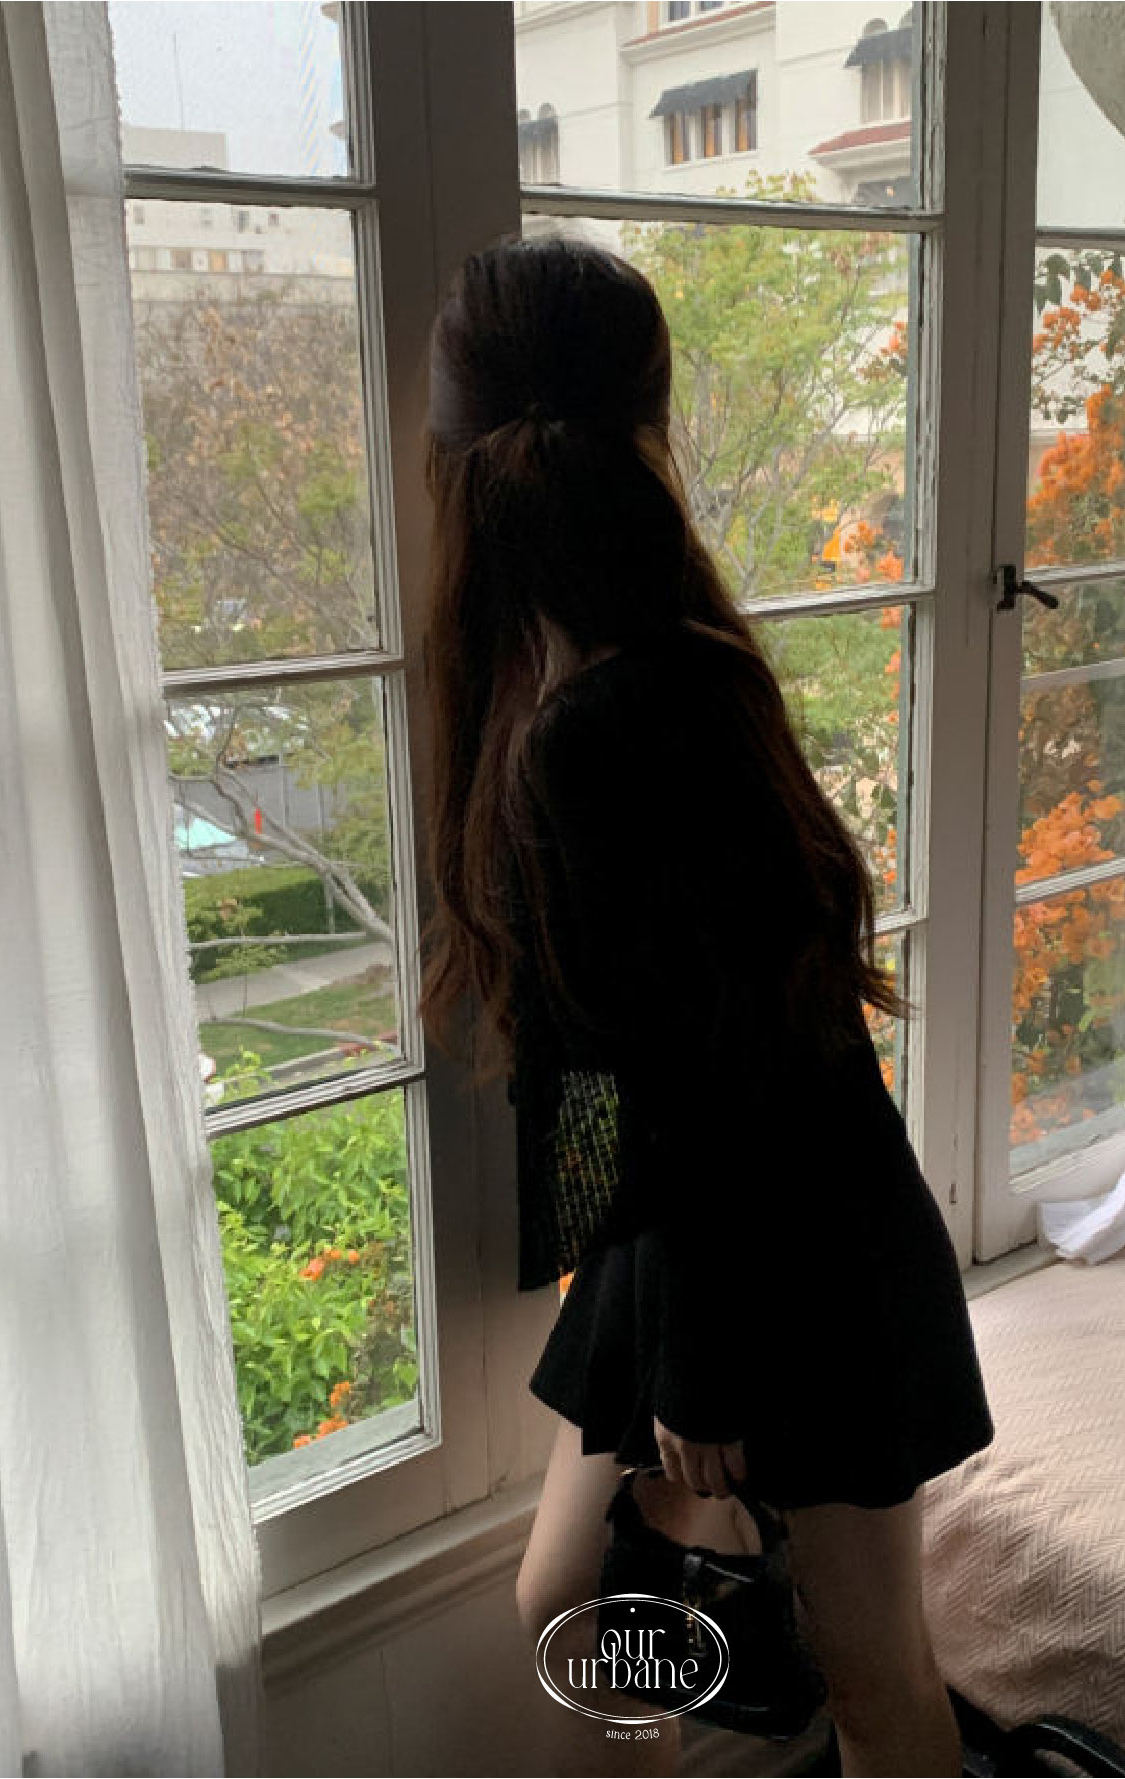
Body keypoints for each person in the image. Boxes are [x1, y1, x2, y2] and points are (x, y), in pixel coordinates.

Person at [415, 231, 995, 1777]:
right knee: (570, 1603)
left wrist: (698, 1366)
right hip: (694, 1233)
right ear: (648, 425)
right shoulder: (607, 679)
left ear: (453, 441)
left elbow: (723, 1072)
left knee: (875, 1682)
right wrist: (615, 1285)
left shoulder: (618, 710)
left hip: (781, 1249)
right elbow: (607, 1065)